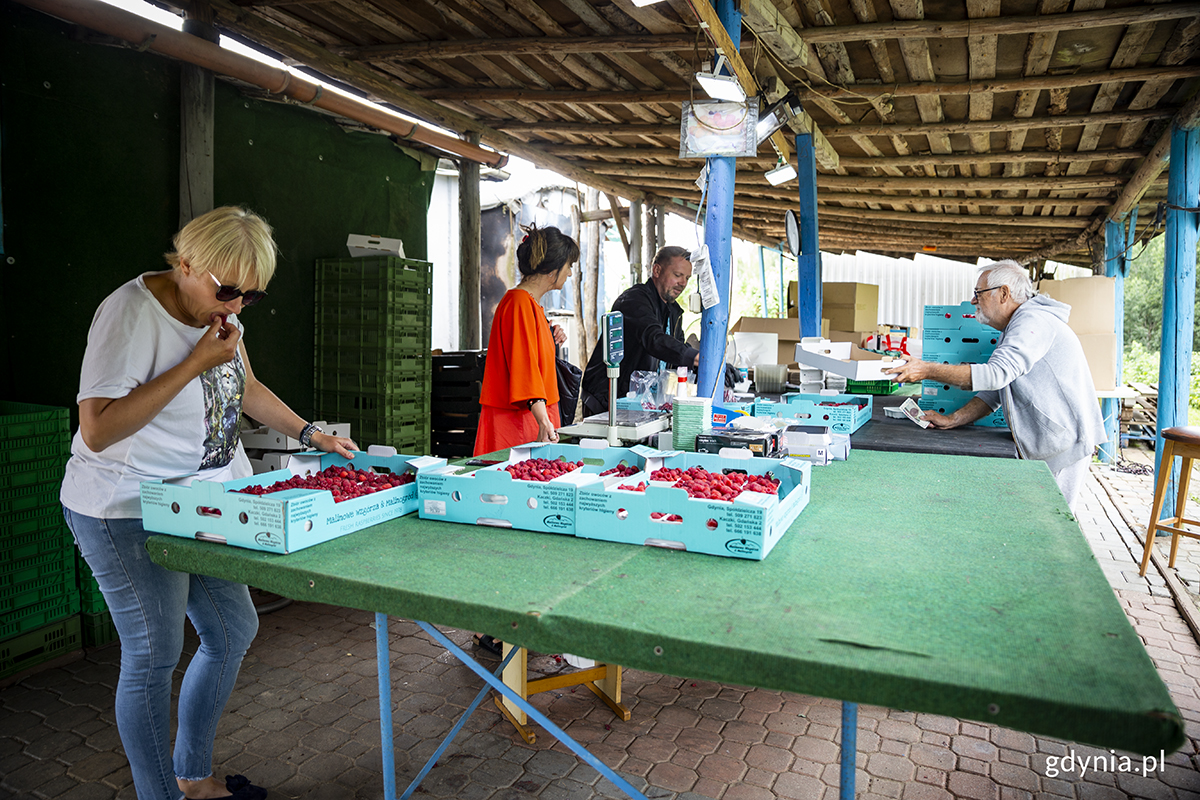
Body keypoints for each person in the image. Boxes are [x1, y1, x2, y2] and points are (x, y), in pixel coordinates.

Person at [59, 206, 357, 800]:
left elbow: (244, 386)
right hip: (125, 506)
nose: (236, 306)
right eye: (227, 290)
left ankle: (192, 777)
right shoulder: (130, 313)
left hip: (200, 501)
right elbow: (97, 429)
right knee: (153, 652)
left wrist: (311, 433)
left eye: (251, 296)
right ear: (186, 263)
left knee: (232, 629)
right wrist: (195, 361)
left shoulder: (224, 316)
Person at [884, 260, 1106, 511]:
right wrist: (955, 419)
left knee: (1054, 524)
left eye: (979, 293)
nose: (973, 300)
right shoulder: (1013, 328)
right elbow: (996, 390)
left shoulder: (1033, 321)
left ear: (1003, 293)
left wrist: (927, 369)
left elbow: (996, 374)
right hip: (1049, 441)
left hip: (1062, 444)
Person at [473, 223, 580, 456]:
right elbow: (524, 367)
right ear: (552, 270)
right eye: (568, 266)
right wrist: (543, 420)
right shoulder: (518, 303)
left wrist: (549, 336)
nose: (570, 273)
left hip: (533, 415)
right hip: (520, 421)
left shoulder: (530, 305)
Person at [580, 245, 701, 416]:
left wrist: (704, 366)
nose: (683, 283)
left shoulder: (674, 312)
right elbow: (654, 339)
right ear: (657, 270)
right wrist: (697, 357)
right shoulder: (634, 300)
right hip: (607, 401)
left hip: (639, 404)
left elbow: (676, 355)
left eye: (687, 278)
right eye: (677, 275)